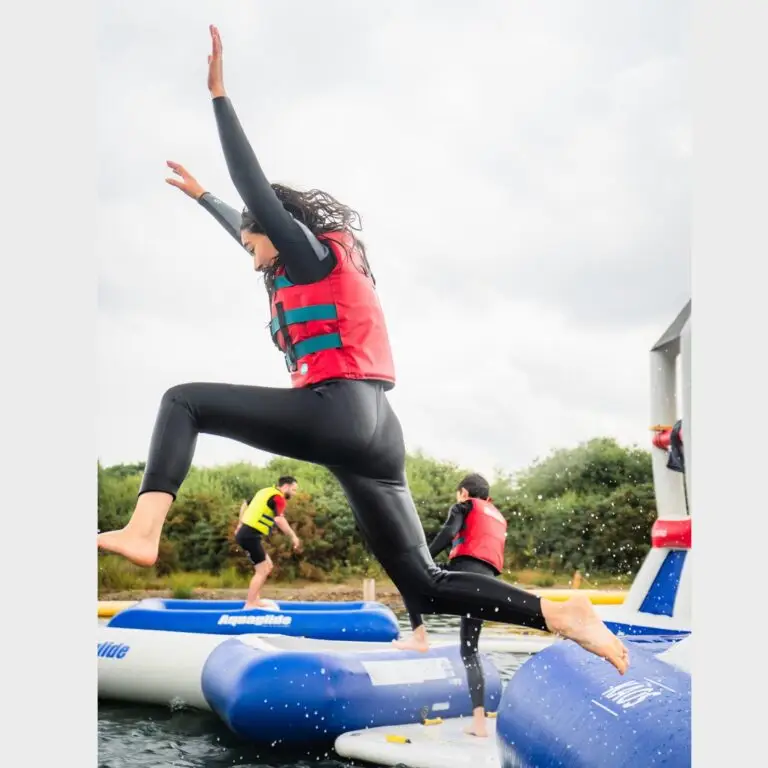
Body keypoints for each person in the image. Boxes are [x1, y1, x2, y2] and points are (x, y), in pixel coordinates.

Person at [97, 25, 629, 676]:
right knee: (428, 581)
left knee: (183, 402)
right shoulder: (315, 262)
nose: (249, 252)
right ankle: (558, 614)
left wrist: (219, 100)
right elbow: (245, 217)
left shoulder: (304, 253)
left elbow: (255, 190)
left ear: (274, 230)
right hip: (377, 432)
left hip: (336, 413)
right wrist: (203, 197)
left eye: (250, 240)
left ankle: (144, 529)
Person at [397, 473, 507, 737]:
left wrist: (423, 560)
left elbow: (449, 533)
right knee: (470, 652)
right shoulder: (496, 516)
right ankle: (479, 723)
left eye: (458, 494)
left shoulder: (463, 507)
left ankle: (419, 635)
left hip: (462, 577)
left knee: (406, 577)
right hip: (488, 586)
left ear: (464, 493)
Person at [235, 476, 301, 609]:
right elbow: (279, 520)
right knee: (262, 570)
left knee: (268, 566)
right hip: (249, 536)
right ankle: (250, 604)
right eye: (293, 490)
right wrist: (294, 536)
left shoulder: (264, 491)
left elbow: (245, 504)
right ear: (286, 487)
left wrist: (240, 524)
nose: (294, 494)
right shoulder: (278, 498)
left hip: (248, 535)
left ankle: (255, 599)